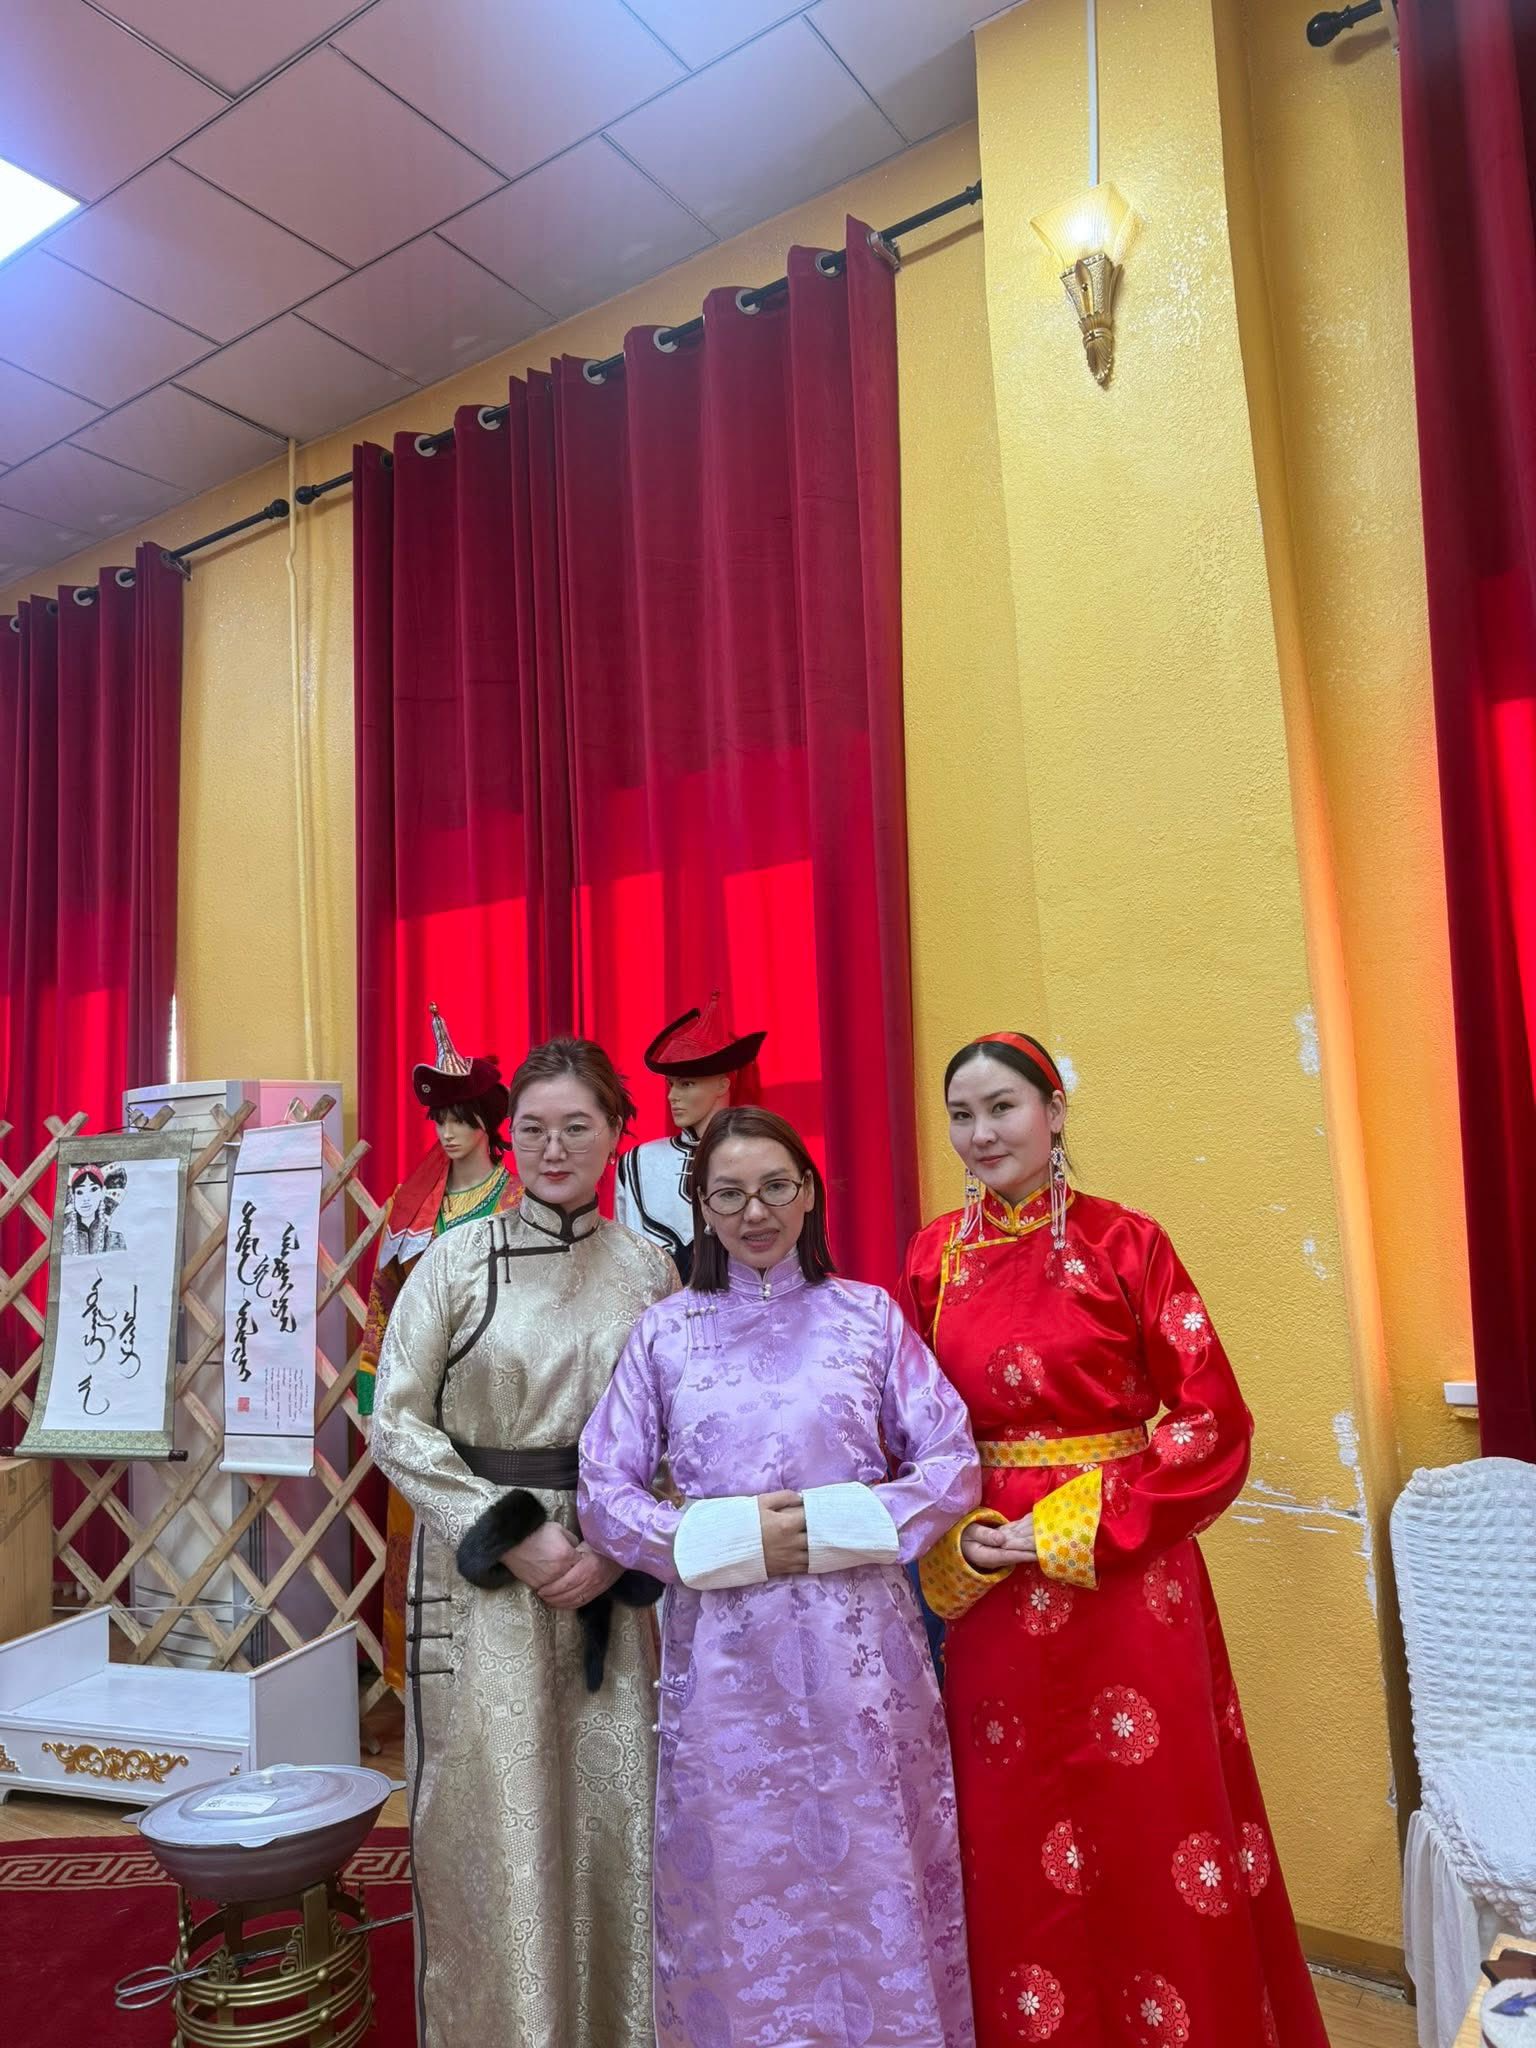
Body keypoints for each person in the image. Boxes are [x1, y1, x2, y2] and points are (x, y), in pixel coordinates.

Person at [904, 1032, 1330, 2048]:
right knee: (1008, 1826)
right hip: (992, 1579)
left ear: (1053, 1111)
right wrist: (962, 1540)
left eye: (1002, 1107)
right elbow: (912, 1429)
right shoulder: (931, 1258)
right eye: (961, 1115)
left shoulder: (1129, 1245)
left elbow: (1213, 1421)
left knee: (1154, 1818)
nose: (981, 1133)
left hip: (1130, 1582)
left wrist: (1072, 1522)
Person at [581, 1104, 981, 2048]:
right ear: (701, 1208)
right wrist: (725, 1537)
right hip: (727, 1666)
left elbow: (952, 1464)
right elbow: (603, 1493)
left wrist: (840, 1525)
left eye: (773, 1187)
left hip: (864, 1658)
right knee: (740, 1871)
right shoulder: (664, 1336)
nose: (754, 1212)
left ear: (808, 1195)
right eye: (728, 1194)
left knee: (875, 1858)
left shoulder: (868, 1318)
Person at [371, 1037, 677, 2048]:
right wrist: (513, 1536)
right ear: (510, 1136)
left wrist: (616, 1542)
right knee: (500, 1825)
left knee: (615, 1821)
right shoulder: (454, 1261)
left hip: (613, 1584)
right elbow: (395, 1423)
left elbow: (679, 1432)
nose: (553, 1148)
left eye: (576, 1126)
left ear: (616, 1131)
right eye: (534, 1128)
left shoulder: (649, 1268)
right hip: (483, 1587)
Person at [356, 1003, 521, 1694]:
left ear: (487, 1122)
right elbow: (383, 1303)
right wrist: (373, 1384)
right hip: (421, 1396)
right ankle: (420, 1686)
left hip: (499, 1398)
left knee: (495, 1536)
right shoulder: (411, 1202)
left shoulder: (518, 1197)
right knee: (421, 1538)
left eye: (461, 1118)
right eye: (440, 1119)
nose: (449, 1132)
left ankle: (501, 1685)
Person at [614, 991, 764, 1282]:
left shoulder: (762, 1156)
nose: (672, 1096)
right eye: (671, 1084)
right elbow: (625, 1264)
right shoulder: (638, 1163)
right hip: (658, 1307)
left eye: (686, 1084)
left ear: (723, 1085)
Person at [60, 1164, 126, 1256]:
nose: (86, 1198)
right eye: (80, 1192)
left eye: (93, 1189)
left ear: (103, 1192)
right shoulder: (64, 1243)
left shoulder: (116, 1240)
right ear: (73, 1196)